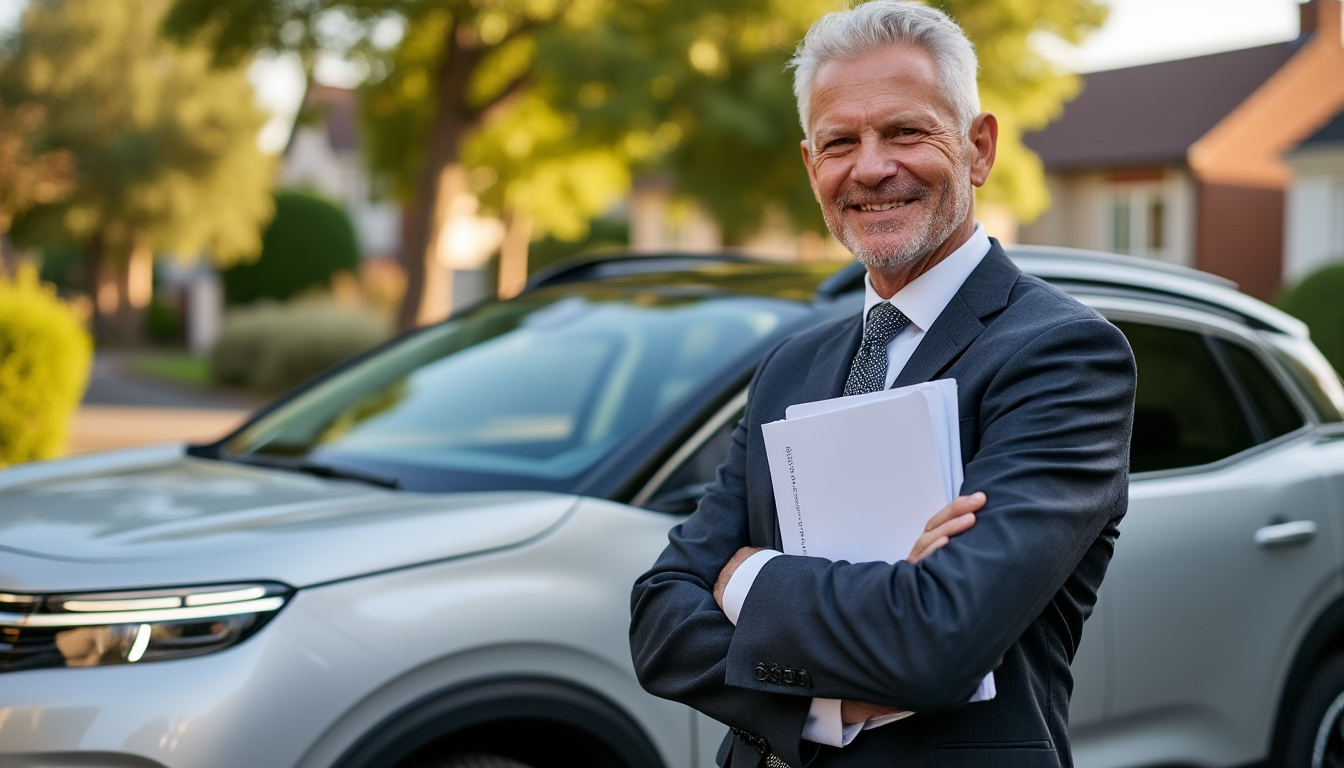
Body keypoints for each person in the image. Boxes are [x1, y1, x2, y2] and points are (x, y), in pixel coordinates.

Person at [628, 2, 1137, 766]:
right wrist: (832, 692)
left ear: (978, 146)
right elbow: (660, 618)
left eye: (905, 132)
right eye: (841, 142)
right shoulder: (790, 368)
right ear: (812, 167)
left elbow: (938, 636)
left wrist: (748, 579)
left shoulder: (1063, 356)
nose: (870, 168)